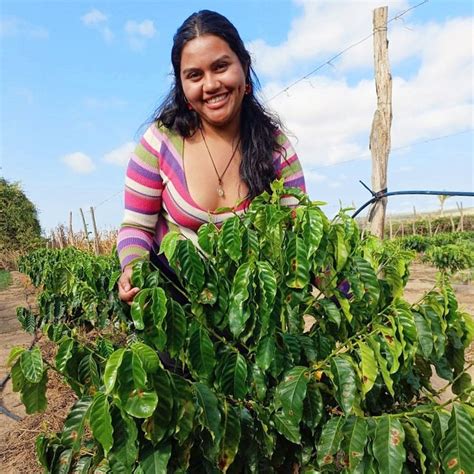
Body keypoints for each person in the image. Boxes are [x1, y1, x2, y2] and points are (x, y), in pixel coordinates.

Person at [117, 9, 306, 303]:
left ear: (244, 66)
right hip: (177, 309)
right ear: (181, 85)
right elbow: (137, 226)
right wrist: (131, 267)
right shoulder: (160, 142)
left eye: (220, 67)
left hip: (254, 309)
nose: (210, 85)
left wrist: (352, 294)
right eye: (194, 75)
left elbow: (300, 233)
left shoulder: (275, 149)